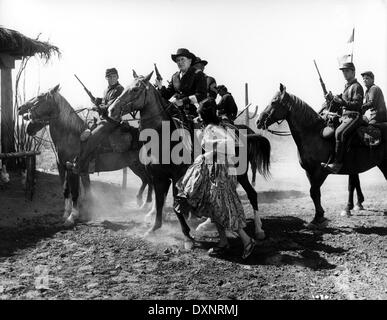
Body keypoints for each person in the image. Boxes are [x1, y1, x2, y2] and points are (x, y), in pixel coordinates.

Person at [175, 100, 256, 260]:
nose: (198, 116)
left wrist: (210, 149)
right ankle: (223, 243)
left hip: (223, 172)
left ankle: (248, 241)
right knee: (214, 207)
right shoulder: (210, 128)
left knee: (225, 208)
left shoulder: (214, 129)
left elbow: (231, 146)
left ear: (205, 115)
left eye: (199, 113)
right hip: (216, 170)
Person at [67, 68, 124, 174]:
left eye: (114, 76)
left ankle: (80, 166)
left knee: (92, 138)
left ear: (117, 77)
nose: (111, 79)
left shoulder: (119, 89)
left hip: (112, 121)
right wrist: (95, 99)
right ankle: (79, 159)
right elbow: (104, 101)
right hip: (104, 120)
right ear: (106, 78)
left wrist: (98, 107)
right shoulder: (107, 89)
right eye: (109, 77)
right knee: (84, 134)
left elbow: (111, 106)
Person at [321, 62, 364, 174]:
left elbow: (357, 104)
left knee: (339, 133)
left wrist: (342, 102)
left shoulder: (357, 87)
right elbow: (340, 103)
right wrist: (331, 99)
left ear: (353, 72)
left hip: (354, 115)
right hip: (345, 117)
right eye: (343, 71)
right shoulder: (347, 87)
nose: (344, 73)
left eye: (347, 71)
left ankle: (337, 164)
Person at [155, 48, 207, 120]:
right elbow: (167, 95)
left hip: (194, 112)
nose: (180, 62)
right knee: (165, 125)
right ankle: (165, 131)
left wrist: (183, 101)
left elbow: (202, 94)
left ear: (190, 60)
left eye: (182, 59)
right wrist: (160, 86)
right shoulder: (175, 76)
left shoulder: (198, 74)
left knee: (196, 130)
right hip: (176, 111)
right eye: (178, 60)